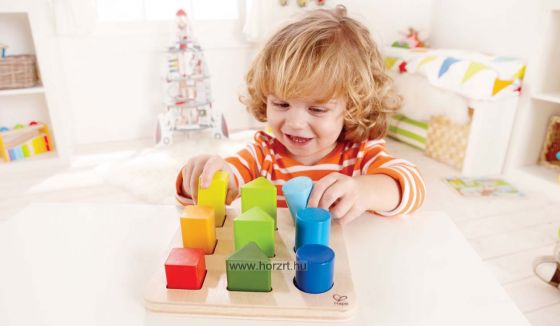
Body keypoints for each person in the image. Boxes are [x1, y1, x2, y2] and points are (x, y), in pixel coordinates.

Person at [175, 5, 425, 224]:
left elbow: (413, 186)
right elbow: (222, 184)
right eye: (281, 104)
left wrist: (366, 190)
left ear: (353, 107)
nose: (294, 123)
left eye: (317, 109)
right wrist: (208, 176)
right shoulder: (263, 154)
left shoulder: (360, 154)